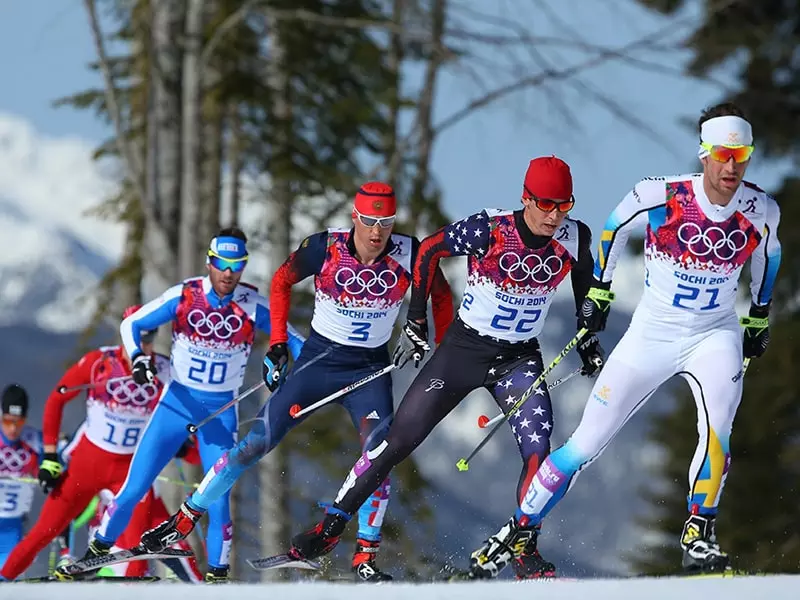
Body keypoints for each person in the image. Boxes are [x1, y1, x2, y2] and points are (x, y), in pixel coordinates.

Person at [466, 102, 783, 578]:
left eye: (742, 154)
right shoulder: (660, 195)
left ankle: (700, 531)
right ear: (704, 153)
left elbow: (768, 257)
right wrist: (600, 289)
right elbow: (612, 227)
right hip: (651, 335)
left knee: (719, 428)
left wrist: (758, 317)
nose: (732, 166)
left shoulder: (761, 209)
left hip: (714, 334)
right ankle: (518, 528)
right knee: (584, 443)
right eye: (722, 153)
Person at [276, 158, 603, 579]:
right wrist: (415, 321)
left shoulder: (574, 236)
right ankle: (329, 529)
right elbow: (430, 249)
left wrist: (587, 333)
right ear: (525, 198)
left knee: (539, 449)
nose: (555, 215)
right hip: (463, 352)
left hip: (519, 359)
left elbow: (584, 277)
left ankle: (524, 550)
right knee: (397, 441)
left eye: (564, 204)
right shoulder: (490, 227)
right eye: (545, 204)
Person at [137, 182, 455, 582]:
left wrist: (438, 347)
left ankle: (365, 555)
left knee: (380, 456)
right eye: (370, 221)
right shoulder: (325, 247)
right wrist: (278, 345)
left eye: (386, 223)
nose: (377, 233)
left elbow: (441, 298)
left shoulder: (409, 253)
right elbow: (281, 281)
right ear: (355, 217)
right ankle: (185, 519)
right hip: (319, 361)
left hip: (370, 370)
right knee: (256, 442)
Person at [69, 227, 306, 584]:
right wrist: (137, 359)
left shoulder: (252, 305)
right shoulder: (185, 295)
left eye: (237, 265)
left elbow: (300, 345)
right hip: (176, 406)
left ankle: (217, 577)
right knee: (134, 488)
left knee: (218, 503)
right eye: (222, 264)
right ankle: (94, 555)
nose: (229, 273)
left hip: (221, 414)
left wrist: (288, 369)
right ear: (210, 262)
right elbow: (132, 323)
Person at [0, 310, 172, 581]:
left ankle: (137, 591)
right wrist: (49, 456)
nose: (143, 348)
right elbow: (56, 400)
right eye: (137, 340)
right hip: (86, 466)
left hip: (129, 471)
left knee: (137, 545)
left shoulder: (163, 370)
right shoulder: (99, 363)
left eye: (149, 340)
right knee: (43, 531)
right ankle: (5, 580)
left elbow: (193, 403)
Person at [0, 385, 42, 570]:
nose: (13, 428)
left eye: (19, 422)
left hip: (13, 526)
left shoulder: (35, 440)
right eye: (8, 421)